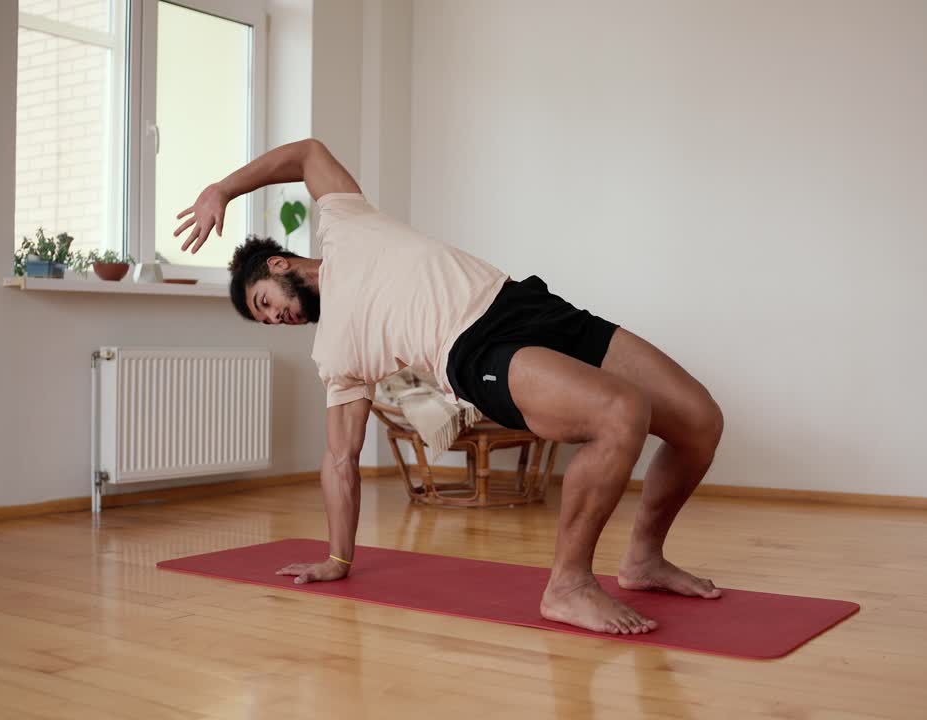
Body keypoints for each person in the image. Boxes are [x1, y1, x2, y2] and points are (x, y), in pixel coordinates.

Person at [173, 138, 724, 635]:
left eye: (265, 303)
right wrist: (337, 560)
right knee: (620, 413)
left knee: (700, 421)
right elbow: (340, 459)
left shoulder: (345, 221)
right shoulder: (334, 354)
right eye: (267, 321)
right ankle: (568, 586)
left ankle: (644, 559)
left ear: (278, 264)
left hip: (522, 302)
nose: (277, 319)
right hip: (475, 351)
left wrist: (222, 189)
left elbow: (307, 153)